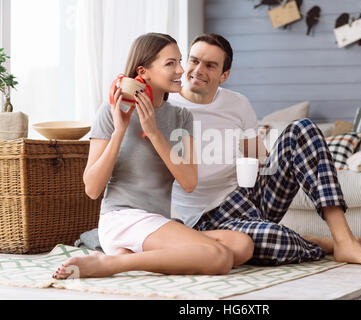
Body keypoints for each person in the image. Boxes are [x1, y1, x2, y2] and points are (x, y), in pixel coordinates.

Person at [168, 33, 361, 268]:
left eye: (210, 65)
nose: (198, 69)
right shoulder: (167, 107)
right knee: (272, 239)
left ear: (224, 75)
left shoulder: (237, 103)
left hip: (246, 196)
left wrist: (305, 164)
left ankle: (344, 239)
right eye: (194, 60)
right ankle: (313, 243)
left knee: (302, 129)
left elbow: (259, 158)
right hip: (208, 220)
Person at [52, 33, 254, 280]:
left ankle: (125, 258)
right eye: (171, 63)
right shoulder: (112, 110)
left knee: (242, 245)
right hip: (122, 219)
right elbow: (92, 189)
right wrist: (120, 131)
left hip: (158, 221)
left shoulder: (182, 117)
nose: (182, 70)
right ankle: (109, 265)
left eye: (180, 61)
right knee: (219, 258)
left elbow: (189, 182)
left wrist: (155, 133)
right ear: (143, 71)